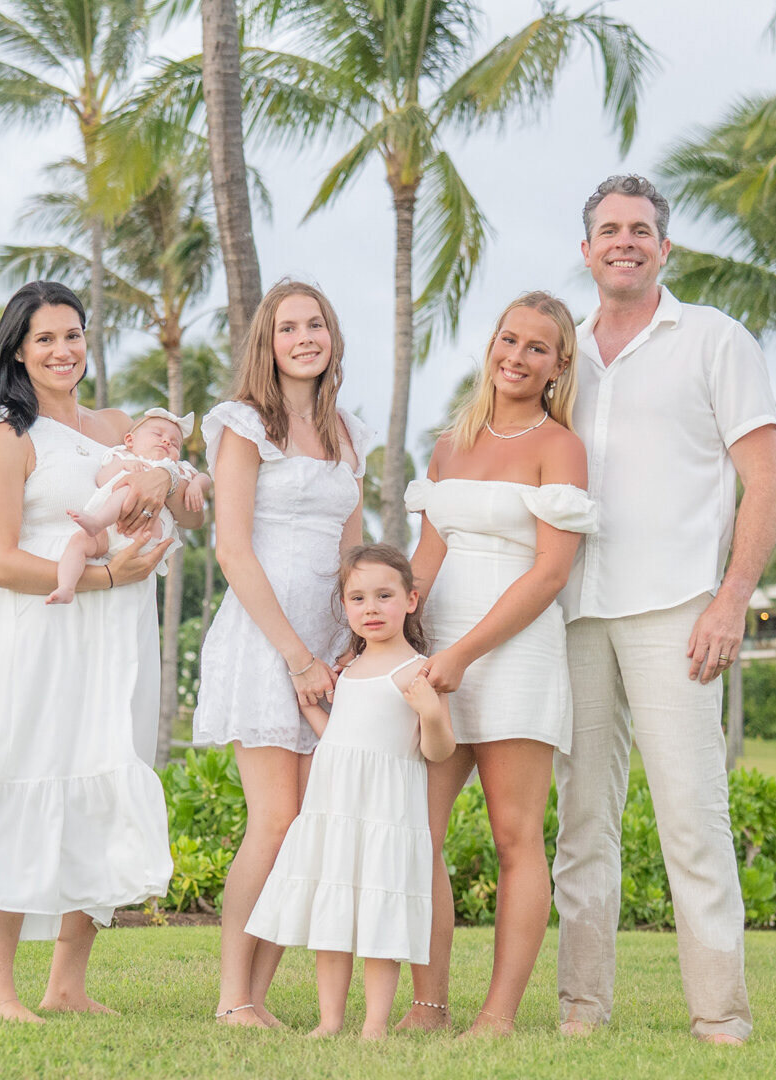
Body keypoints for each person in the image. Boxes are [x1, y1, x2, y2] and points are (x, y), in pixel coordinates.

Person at [0, 280, 203, 1022]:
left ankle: (67, 984)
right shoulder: (9, 435)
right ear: (18, 351)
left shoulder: (122, 425)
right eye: (45, 340)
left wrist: (166, 477)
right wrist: (100, 576)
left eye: (73, 335)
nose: (63, 350)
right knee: (17, 772)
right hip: (45, 631)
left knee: (101, 774)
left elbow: (192, 508)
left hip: (119, 636)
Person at [552, 175, 776, 1045]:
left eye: (641, 229)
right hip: (573, 612)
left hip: (679, 613)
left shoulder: (716, 341)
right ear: (585, 251)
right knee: (581, 824)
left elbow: (767, 482)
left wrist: (732, 600)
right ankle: (581, 1010)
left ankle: (720, 1017)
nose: (625, 241)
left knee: (692, 818)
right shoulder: (560, 353)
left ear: (665, 248)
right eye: (608, 229)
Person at [399, 291, 597, 1036]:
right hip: (438, 656)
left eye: (536, 348)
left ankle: (498, 1015)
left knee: (517, 838)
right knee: (416, 831)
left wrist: (463, 655)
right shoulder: (450, 444)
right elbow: (427, 555)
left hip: (514, 655)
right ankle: (428, 1004)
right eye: (507, 340)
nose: (516, 357)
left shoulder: (561, 447)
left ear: (559, 364)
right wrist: (398, 640)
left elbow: (549, 575)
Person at [192, 279, 371, 1027]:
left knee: (304, 826)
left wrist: (358, 650)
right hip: (269, 642)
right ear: (269, 343)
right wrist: (298, 656)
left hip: (332, 646)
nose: (305, 337)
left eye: (317, 324)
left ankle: (259, 997)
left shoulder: (349, 429)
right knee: (272, 819)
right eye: (290, 327)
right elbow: (232, 548)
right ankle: (235, 997)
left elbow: (354, 548)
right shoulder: (243, 425)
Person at [245, 544, 456, 1039]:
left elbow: (439, 751)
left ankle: (375, 1024)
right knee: (333, 917)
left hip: (384, 812)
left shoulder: (418, 671)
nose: (371, 608)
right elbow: (339, 737)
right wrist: (310, 709)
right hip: (336, 808)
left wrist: (428, 711)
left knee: (379, 920)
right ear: (345, 607)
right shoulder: (350, 668)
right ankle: (329, 1020)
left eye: (384, 595)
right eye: (358, 598)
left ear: (410, 600)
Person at [47, 408, 211, 604]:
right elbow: (102, 479)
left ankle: (97, 521)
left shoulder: (177, 468)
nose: (166, 441)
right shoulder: (123, 457)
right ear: (130, 441)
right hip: (109, 534)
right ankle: (66, 586)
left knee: (131, 488)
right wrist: (124, 468)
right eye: (158, 434)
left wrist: (196, 485)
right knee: (78, 542)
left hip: (148, 533)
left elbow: (204, 477)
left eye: (175, 443)